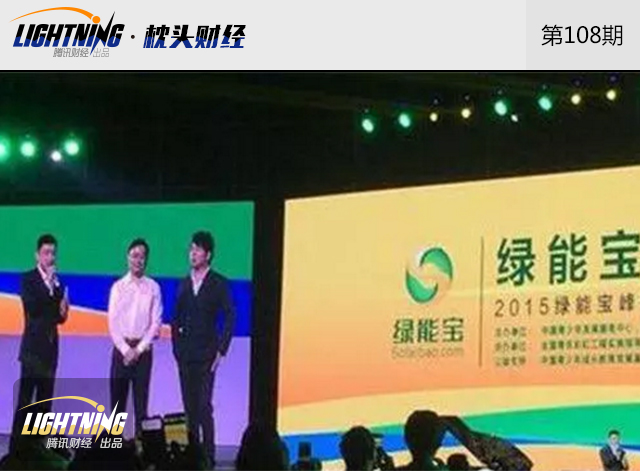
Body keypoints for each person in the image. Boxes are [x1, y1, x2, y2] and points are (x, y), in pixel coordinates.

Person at [171, 231, 236, 467]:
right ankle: (192, 457)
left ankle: (208, 457)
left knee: (203, 407)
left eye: (197, 249)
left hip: (207, 355)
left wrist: (221, 351)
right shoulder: (183, 283)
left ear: (208, 255)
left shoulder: (218, 283)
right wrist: (176, 349)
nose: (192, 253)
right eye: (191, 249)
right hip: (185, 355)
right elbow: (175, 318)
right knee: (189, 409)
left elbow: (230, 316)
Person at [10, 234, 69, 453]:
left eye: (53, 253)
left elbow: (57, 318)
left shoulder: (58, 282)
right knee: (26, 403)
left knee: (44, 404)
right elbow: (33, 309)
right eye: (46, 253)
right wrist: (50, 289)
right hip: (32, 352)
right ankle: (17, 451)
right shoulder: (28, 279)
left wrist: (63, 311)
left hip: (51, 351)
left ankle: (39, 451)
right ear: (37, 255)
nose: (50, 257)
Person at [108, 238, 162, 437]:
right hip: (121, 352)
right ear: (128, 258)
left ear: (146, 260)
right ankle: (114, 450)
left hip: (143, 354)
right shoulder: (118, 287)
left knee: (141, 407)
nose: (138, 260)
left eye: (142, 257)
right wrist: (126, 350)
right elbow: (112, 323)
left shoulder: (153, 288)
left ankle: (142, 451)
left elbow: (155, 323)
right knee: (117, 408)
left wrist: (137, 350)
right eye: (135, 256)